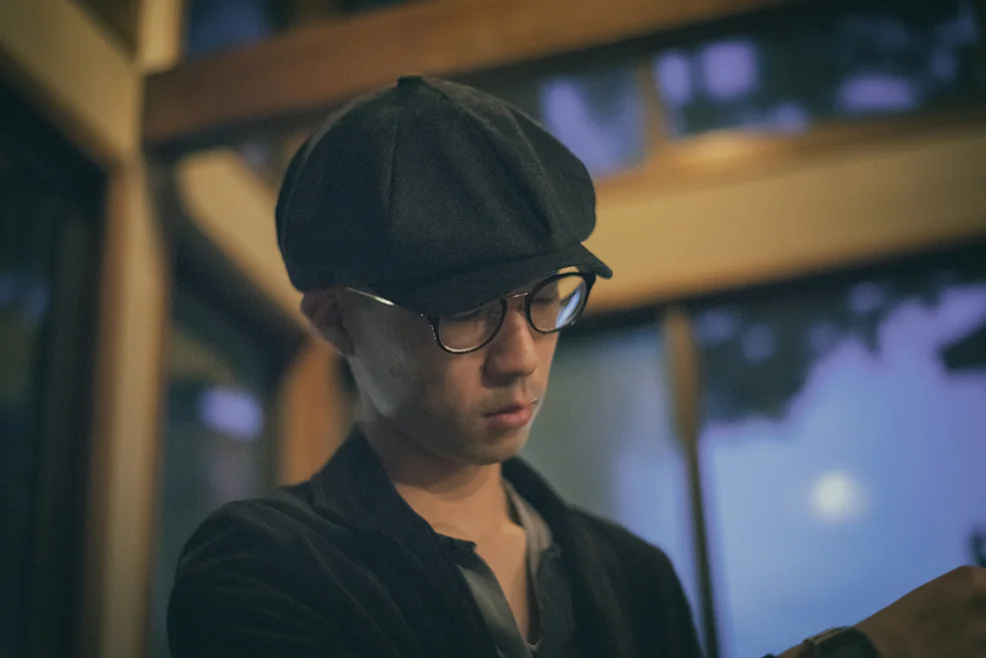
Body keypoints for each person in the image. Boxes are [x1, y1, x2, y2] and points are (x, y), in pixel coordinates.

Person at [167, 76, 986, 658]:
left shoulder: (633, 576)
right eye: (466, 313)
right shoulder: (262, 569)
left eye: (546, 298)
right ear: (336, 320)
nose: (521, 357)